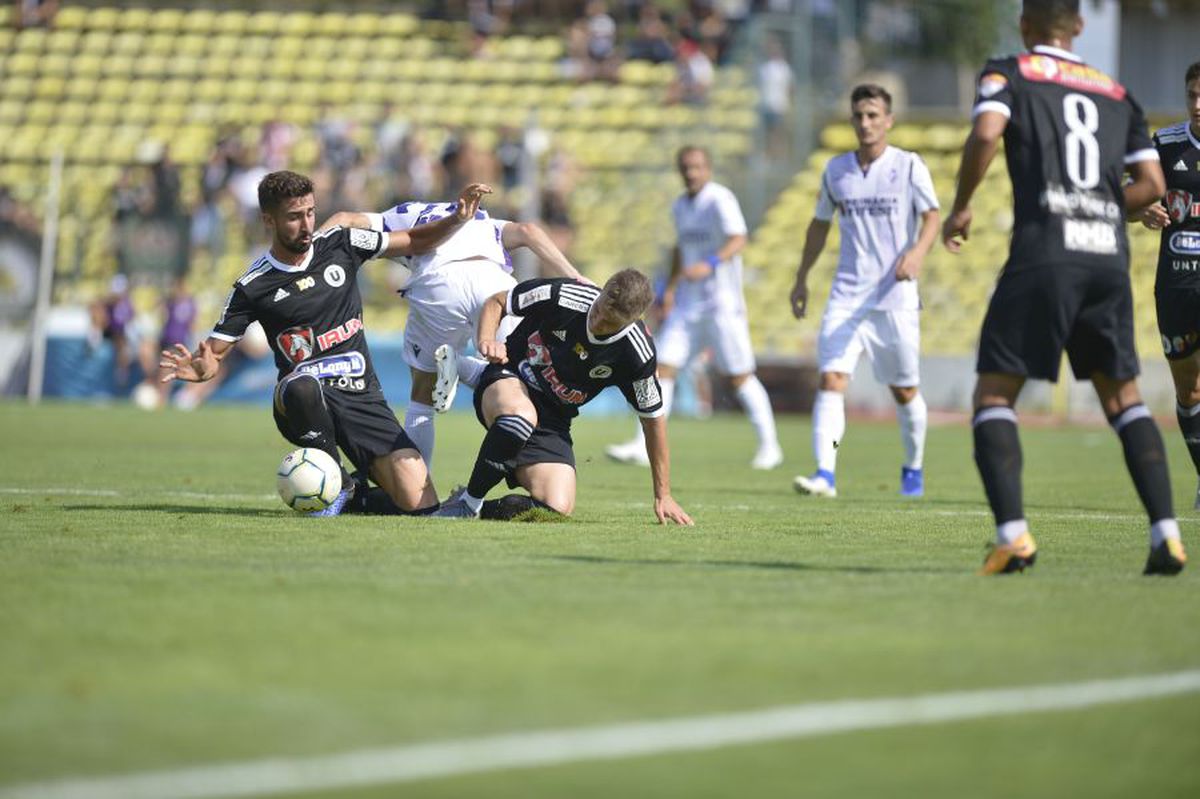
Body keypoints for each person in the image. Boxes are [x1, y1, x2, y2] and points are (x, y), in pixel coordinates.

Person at [942, 0, 1185, 575]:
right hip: (1107, 258)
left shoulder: (1010, 71)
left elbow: (986, 132)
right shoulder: (1117, 93)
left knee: (994, 397)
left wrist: (962, 205)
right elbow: (1153, 184)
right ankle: (1167, 536)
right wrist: (1100, 206)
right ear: (1078, 26)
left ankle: (1013, 538)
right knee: (1124, 400)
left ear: (1024, 26)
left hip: (1045, 251)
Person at [160, 170, 492, 517]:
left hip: (362, 397)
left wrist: (457, 219)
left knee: (421, 506)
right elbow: (214, 352)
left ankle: (355, 495)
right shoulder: (253, 285)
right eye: (294, 217)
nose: (306, 225)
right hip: (301, 401)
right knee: (302, 384)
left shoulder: (341, 243)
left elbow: (412, 240)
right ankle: (339, 483)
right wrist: (204, 367)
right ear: (269, 220)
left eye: (310, 213)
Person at [317, 202, 586, 471]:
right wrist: (574, 276)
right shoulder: (484, 221)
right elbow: (528, 231)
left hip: (439, 284)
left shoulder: (404, 214)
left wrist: (310, 257)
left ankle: (418, 488)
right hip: (494, 283)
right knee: (517, 379)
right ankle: (465, 369)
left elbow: (344, 217)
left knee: (422, 398)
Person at [432, 271, 693, 526]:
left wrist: (663, 494)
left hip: (553, 419)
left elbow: (653, 421)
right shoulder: (564, 294)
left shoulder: (637, 354)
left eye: (609, 323)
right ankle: (468, 503)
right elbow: (498, 301)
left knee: (557, 506)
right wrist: (487, 340)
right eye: (598, 310)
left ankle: (473, 507)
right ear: (601, 291)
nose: (597, 322)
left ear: (632, 321)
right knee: (520, 418)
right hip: (509, 377)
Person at [788, 84, 940, 500]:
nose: (865, 123)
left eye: (873, 115)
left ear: (889, 120)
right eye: (859, 115)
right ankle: (825, 473)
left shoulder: (908, 166)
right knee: (831, 378)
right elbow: (819, 225)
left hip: (895, 297)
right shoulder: (836, 170)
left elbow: (932, 217)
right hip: (847, 295)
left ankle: (913, 468)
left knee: (904, 390)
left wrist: (917, 254)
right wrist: (801, 277)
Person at [606, 146, 782, 469]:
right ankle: (643, 445)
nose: (691, 173)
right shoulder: (680, 206)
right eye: (686, 167)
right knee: (660, 369)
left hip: (722, 305)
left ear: (708, 168)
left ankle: (770, 447)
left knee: (739, 377)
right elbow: (680, 249)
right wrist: (671, 288)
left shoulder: (720, 199)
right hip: (689, 305)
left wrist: (710, 263)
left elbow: (739, 238)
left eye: (697, 166)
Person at [1133, 61, 1200, 509]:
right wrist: (1142, 210)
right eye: (1192, 95)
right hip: (1176, 285)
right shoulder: (1166, 143)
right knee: (1188, 390)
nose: (1198, 104)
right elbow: (1129, 196)